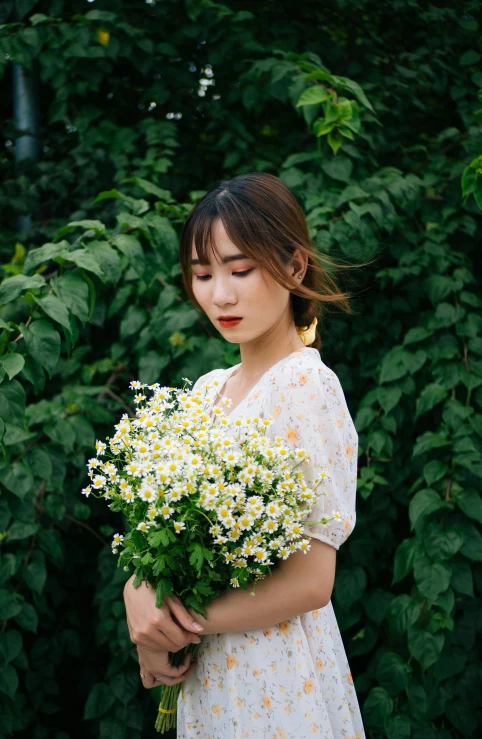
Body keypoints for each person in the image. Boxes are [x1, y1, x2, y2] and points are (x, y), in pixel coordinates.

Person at [123, 172, 367, 738]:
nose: (220, 295)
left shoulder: (307, 386)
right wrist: (138, 597)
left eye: (240, 269)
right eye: (203, 274)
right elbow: (155, 536)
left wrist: (176, 625)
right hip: (211, 678)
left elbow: (311, 581)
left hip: (275, 675)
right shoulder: (209, 388)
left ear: (296, 267)